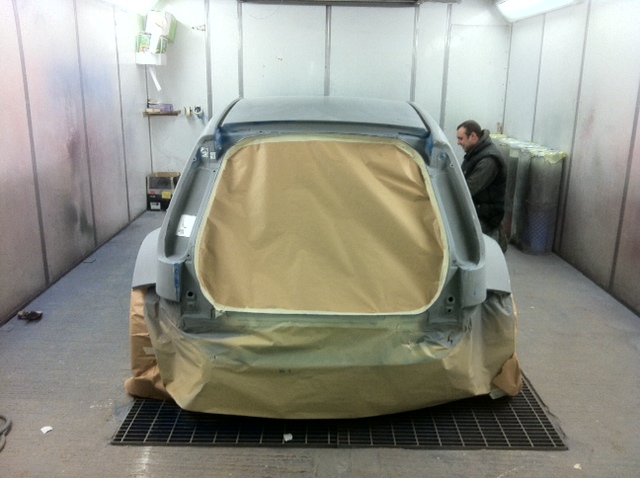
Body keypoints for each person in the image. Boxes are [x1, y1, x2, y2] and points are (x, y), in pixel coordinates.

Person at [456, 120, 508, 252]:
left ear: (473, 136)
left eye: (461, 138)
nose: (458, 143)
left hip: (485, 217)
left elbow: (468, 188)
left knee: (474, 252)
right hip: (478, 210)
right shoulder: (475, 153)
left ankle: (497, 241)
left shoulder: (488, 160)